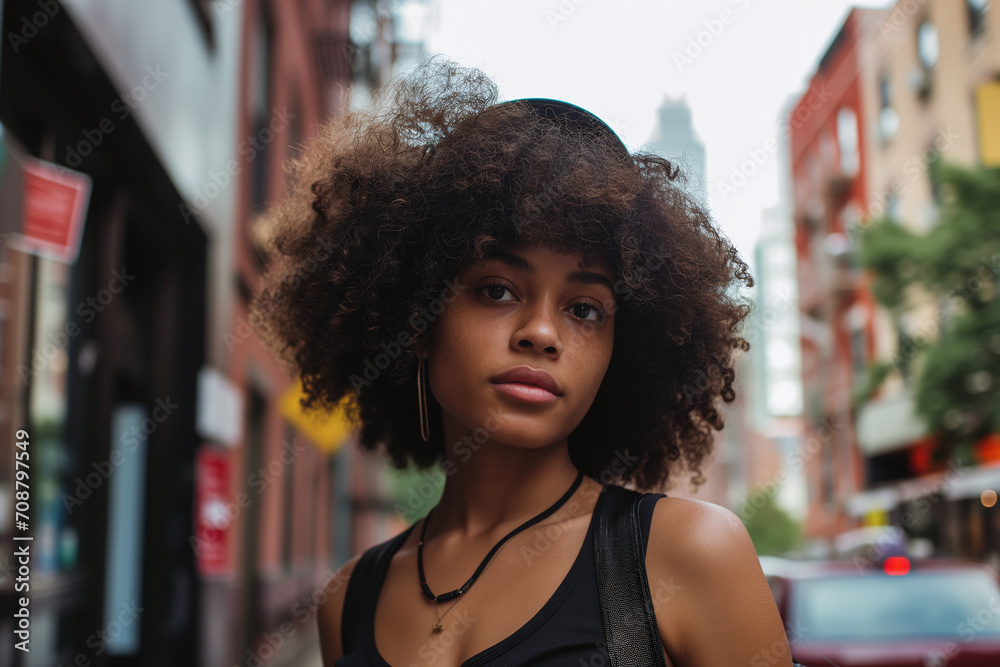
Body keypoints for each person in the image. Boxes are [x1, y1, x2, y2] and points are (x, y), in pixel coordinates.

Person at [250, 56, 794, 666]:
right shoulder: (348, 600)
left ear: (624, 349)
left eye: (585, 309)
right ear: (419, 318)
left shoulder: (689, 553)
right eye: (497, 290)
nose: (541, 332)